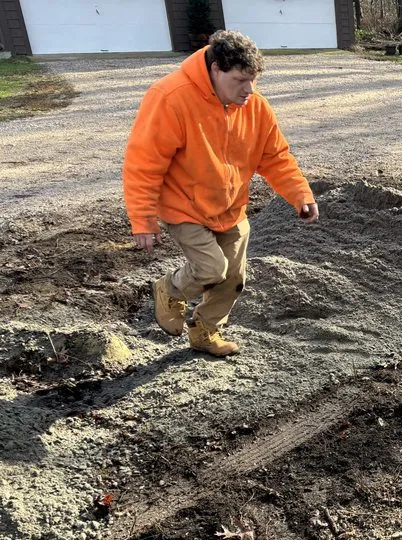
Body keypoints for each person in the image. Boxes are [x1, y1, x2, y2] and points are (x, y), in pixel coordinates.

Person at [123, 30, 318, 356]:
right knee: (212, 269)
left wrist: (301, 196)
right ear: (215, 70)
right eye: (241, 80)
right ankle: (169, 289)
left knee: (232, 279)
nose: (249, 90)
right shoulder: (170, 98)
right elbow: (144, 162)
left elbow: (275, 157)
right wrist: (142, 219)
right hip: (183, 207)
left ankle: (205, 333)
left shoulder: (256, 108)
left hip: (230, 207)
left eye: (253, 79)